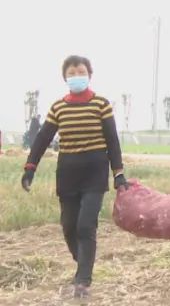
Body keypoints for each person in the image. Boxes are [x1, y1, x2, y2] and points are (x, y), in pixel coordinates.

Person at [21, 55, 128, 299]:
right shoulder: (59, 107)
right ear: (65, 78)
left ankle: (83, 281)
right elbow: (43, 138)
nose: (76, 76)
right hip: (68, 173)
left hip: (95, 173)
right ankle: (83, 262)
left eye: (81, 71)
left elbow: (112, 141)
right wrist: (30, 167)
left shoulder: (101, 104)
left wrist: (118, 173)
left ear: (89, 75)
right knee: (69, 226)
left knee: (85, 225)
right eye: (72, 73)